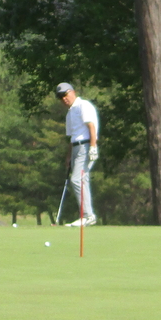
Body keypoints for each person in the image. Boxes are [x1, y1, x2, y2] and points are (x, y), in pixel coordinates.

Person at [56, 82, 98, 227]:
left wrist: (93, 147)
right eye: (61, 97)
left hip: (86, 146)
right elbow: (71, 137)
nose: (64, 99)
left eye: (65, 95)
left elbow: (91, 126)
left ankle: (88, 215)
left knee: (77, 180)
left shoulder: (83, 106)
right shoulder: (70, 113)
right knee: (82, 180)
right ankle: (87, 215)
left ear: (72, 92)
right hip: (75, 148)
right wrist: (68, 157)